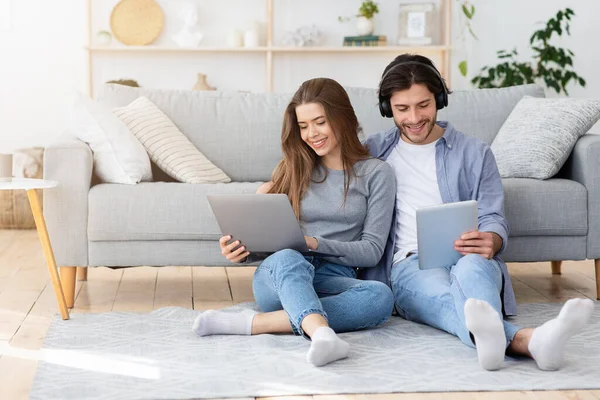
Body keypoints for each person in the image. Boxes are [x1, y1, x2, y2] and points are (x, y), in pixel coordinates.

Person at [362, 53, 594, 371]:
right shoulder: (372, 152)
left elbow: (492, 216)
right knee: (443, 295)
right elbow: (320, 167)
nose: (414, 117)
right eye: (402, 108)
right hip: (410, 265)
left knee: (471, 272)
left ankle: (497, 340)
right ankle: (527, 340)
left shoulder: (475, 152)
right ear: (388, 108)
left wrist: (492, 240)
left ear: (439, 100)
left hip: (469, 257)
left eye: (423, 105)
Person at [193, 77, 397, 367]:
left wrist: (314, 243)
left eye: (320, 122)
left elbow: (372, 250)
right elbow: (267, 242)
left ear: (343, 118)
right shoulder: (292, 169)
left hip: (329, 280)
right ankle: (323, 334)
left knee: (380, 298)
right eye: (303, 126)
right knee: (289, 256)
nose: (311, 134)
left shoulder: (377, 174)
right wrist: (241, 249)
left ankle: (256, 323)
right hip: (282, 276)